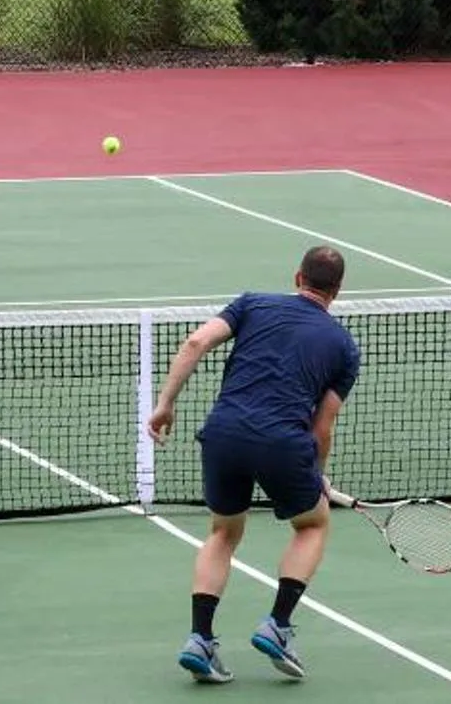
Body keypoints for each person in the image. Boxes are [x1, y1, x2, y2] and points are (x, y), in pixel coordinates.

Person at [145, 245, 360, 684]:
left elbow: (196, 341)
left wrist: (165, 404)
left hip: (224, 434)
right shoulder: (343, 346)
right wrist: (316, 474)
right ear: (336, 292)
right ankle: (277, 626)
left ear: (298, 277)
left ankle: (200, 639)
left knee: (223, 533)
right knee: (312, 525)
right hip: (283, 443)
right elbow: (323, 425)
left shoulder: (252, 303)